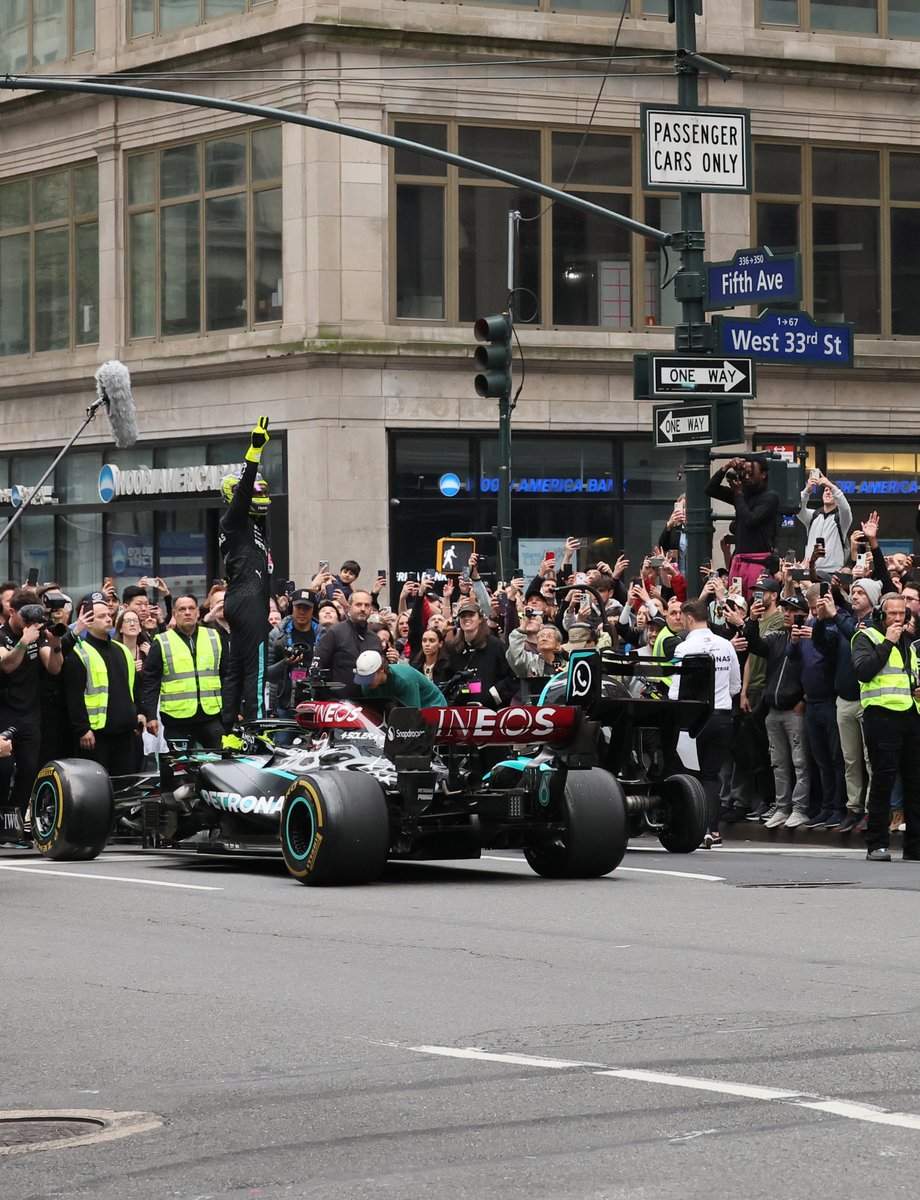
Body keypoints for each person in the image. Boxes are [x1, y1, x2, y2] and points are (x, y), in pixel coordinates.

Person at [851, 591, 920, 862]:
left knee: (915, 783)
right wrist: (887, 644)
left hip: (910, 716)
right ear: (881, 614)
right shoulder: (865, 638)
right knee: (883, 781)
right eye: (892, 613)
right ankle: (877, 844)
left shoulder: (910, 643)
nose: (897, 619)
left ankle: (914, 846)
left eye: (902, 614)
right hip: (880, 717)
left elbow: (908, 677)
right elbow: (863, 671)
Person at [219, 415, 273, 747]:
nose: (261, 495)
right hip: (247, 598)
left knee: (237, 668)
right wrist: (253, 454)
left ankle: (229, 733)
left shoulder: (253, 527)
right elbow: (243, 494)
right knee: (258, 668)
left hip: (242, 598)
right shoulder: (233, 519)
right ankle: (258, 729)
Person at [670, 599, 741, 848]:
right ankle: (713, 830)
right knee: (712, 776)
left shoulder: (684, 648)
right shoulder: (725, 645)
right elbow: (736, 685)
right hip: (722, 716)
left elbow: (675, 691)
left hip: (694, 718)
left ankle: (697, 829)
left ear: (689, 618)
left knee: (692, 775)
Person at [0, 588, 65, 842]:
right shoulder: (3, 635)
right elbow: (6, 665)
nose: (29, 625)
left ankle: (12, 822)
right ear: (12, 612)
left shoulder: (38, 635)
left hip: (30, 714)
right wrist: (24, 640)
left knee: (28, 768)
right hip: (4, 711)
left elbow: (54, 668)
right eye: (25, 618)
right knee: (3, 769)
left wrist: (56, 644)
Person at [63, 596, 141, 776]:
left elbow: (133, 687)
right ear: (88, 622)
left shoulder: (121, 649)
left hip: (125, 733)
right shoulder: (79, 652)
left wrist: (140, 711)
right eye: (101, 616)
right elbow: (73, 695)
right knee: (96, 788)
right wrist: (82, 729)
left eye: (109, 614)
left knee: (126, 786)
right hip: (96, 736)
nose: (108, 618)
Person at [138, 594, 224, 750]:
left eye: (191, 608)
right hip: (177, 719)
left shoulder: (214, 637)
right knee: (178, 769)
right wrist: (151, 715)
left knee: (218, 766)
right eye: (182, 609)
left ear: (198, 612)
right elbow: (151, 681)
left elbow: (226, 674)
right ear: (174, 614)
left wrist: (232, 709)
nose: (187, 612)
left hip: (211, 716)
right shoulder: (162, 641)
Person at [705, 454, 780, 598]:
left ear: (763, 474)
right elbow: (710, 489)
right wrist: (726, 467)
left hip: (758, 562)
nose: (746, 477)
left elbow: (750, 521)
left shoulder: (771, 497)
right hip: (739, 561)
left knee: (756, 604)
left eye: (751, 473)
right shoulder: (741, 495)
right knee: (736, 603)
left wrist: (738, 494)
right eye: (744, 473)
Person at [446, 600, 517, 708]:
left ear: (480, 619)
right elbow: (447, 676)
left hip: (492, 711)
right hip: (461, 712)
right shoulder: (453, 648)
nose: (466, 618)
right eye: (463, 616)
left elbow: (513, 676)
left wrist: (493, 696)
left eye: (471, 615)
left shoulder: (495, 645)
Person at [313, 589, 382, 695]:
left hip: (369, 701)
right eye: (358, 605)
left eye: (367, 605)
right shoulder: (334, 632)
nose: (363, 609)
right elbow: (317, 666)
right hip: (338, 702)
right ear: (349, 607)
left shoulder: (375, 639)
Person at [267, 589, 318, 716]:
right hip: (285, 702)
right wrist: (285, 663)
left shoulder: (323, 634)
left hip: (315, 703)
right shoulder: (277, 635)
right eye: (298, 607)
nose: (302, 612)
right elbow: (267, 674)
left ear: (313, 610)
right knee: (282, 736)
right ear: (292, 607)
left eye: (306, 608)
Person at [797, 471, 852, 573]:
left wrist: (830, 485)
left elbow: (845, 508)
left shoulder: (841, 518)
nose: (828, 492)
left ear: (837, 495)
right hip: (811, 569)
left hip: (833, 571)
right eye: (825, 490)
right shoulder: (813, 515)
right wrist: (807, 489)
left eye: (831, 491)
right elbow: (798, 508)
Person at [353, 649, 447, 708]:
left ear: (381, 669)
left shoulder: (404, 680)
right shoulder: (366, 685)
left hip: (432, 704)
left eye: (369, 677)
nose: (366, 682)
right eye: (363, 678)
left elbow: (412, 714)